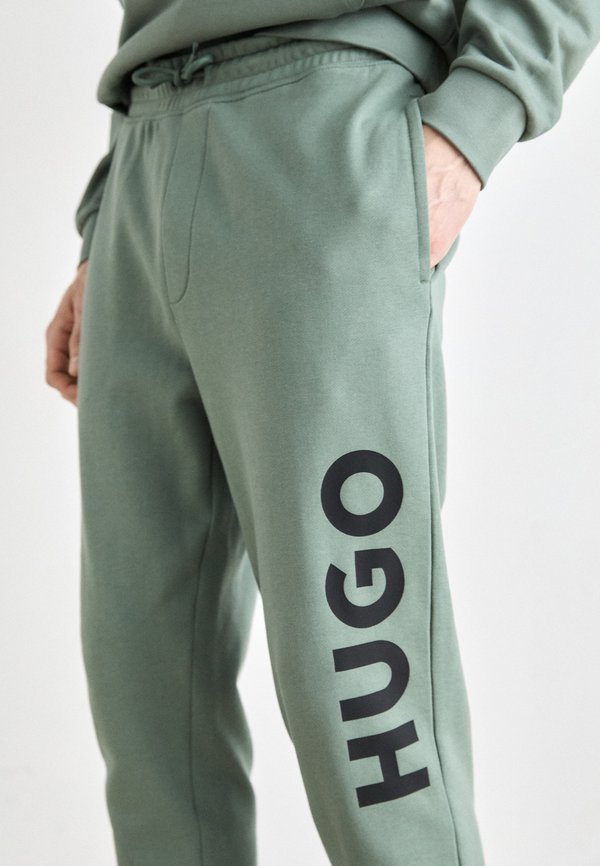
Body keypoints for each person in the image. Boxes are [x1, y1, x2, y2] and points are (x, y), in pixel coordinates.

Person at [44, 4, 600, 865]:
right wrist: (105, 217)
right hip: (144, 153)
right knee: (144, 695)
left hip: (324, 129)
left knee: (362, 697)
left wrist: (477, 120)